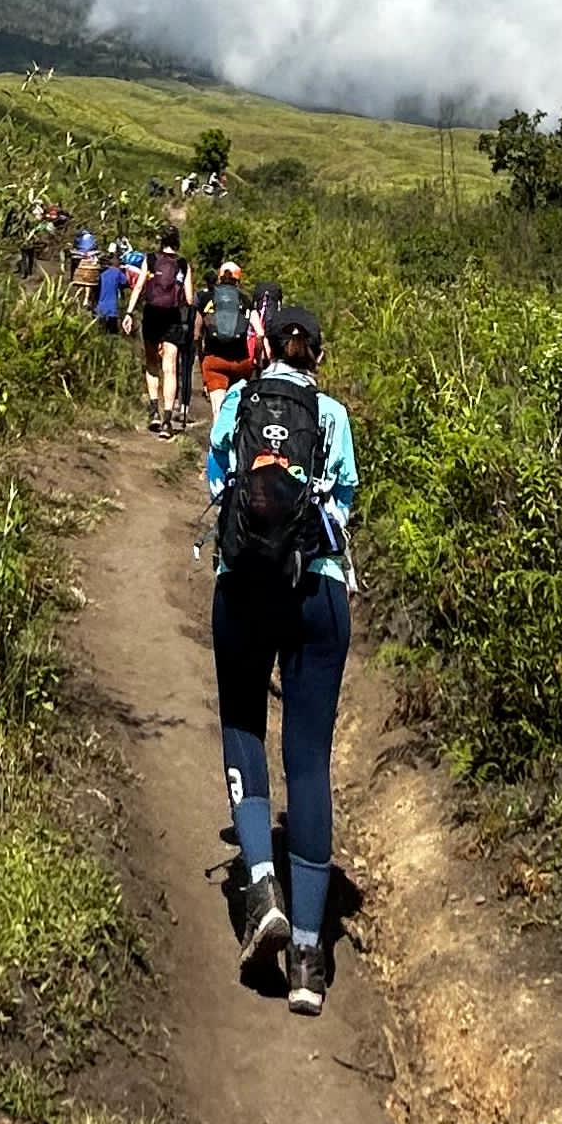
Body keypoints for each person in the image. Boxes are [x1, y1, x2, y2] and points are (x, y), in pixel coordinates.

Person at [205, 303, 358, 1019]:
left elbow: (217, 488)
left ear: (264, 345)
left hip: (244, 589)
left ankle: (260, 885)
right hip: (318, 592)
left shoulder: (238, 401)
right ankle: (307, 957)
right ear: (317, 356)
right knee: (309, 760)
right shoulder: (334, 418)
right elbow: (344, 509)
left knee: (242, 720)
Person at [137, 220, 194, 433]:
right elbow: (188, 299)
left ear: (161, 241)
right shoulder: (182, 264)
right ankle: (168, 420)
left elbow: (140, 286)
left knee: (152, 364)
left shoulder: (150, 259)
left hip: (151, 315)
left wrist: (129, 311)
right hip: (172, 317)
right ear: (177, 242)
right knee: (170, 368)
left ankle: (153, 411)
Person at [196, 260, 254, 420]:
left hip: (214, 359)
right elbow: (260, 333)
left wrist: (200, 354)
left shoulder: (207, 297)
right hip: (241, 361)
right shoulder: (246, 300)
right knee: (237, 409)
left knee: (218, 411)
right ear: (238, 280)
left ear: (219, 278)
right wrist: (255, 358)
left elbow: (196, 333)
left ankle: (220, 442)